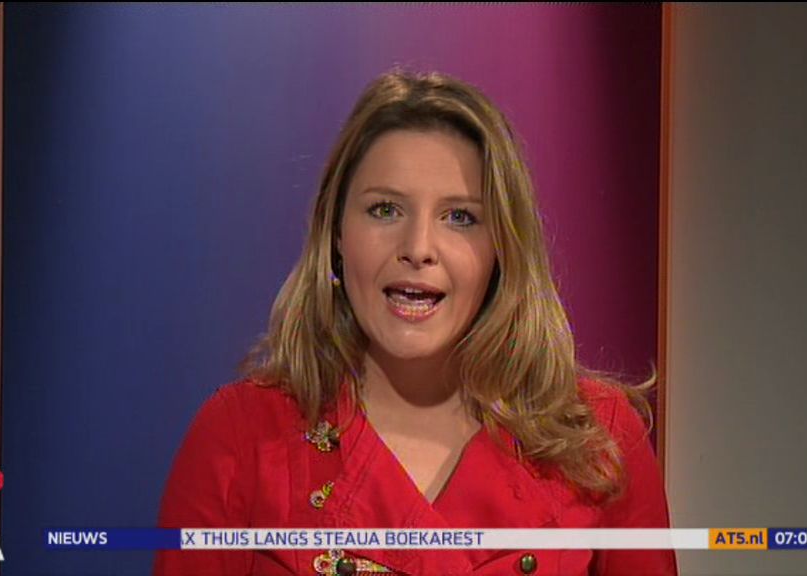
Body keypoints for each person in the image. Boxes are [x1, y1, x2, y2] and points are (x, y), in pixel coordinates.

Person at [154, 68, 678, 576]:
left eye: (460, 217)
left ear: (502, 249)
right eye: (385, 210)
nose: (418, 247)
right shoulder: (239, 436)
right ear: (336, 234)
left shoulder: (599, 438)